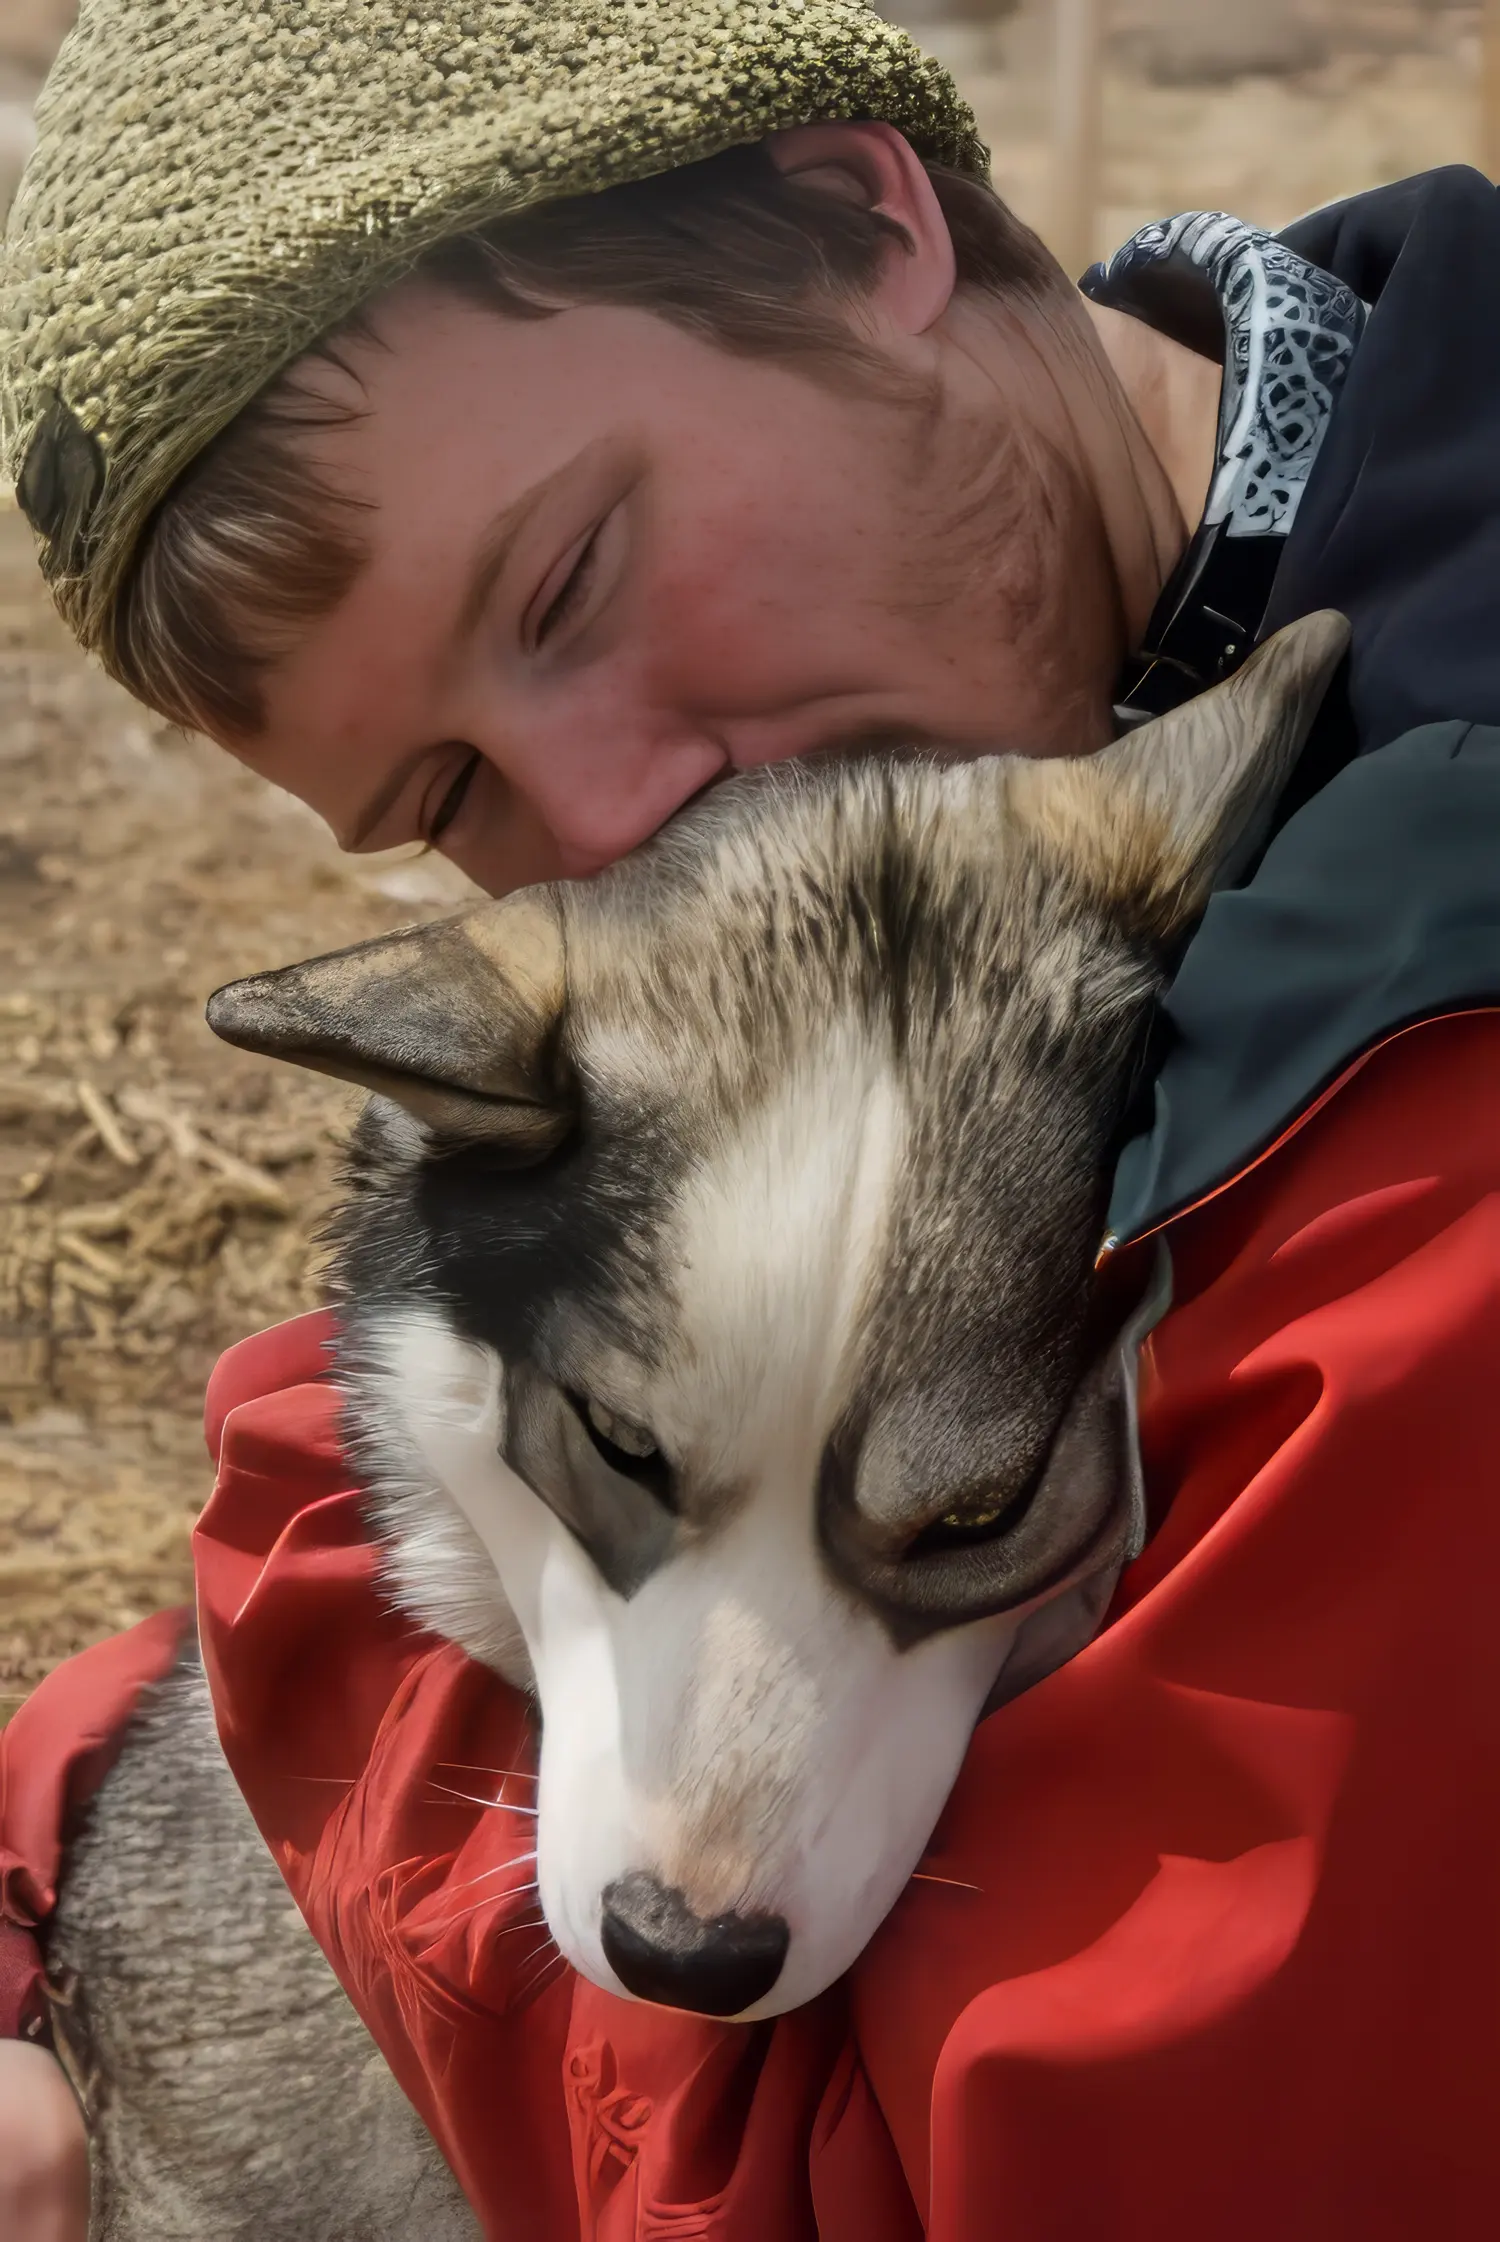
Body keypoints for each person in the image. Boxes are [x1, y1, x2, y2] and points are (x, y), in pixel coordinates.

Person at [5, 3, 1500, 2236]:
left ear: (855, 214)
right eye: (447, 798)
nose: (619, 815)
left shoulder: (1419, 1042)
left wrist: (296, 1618)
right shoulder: (1250, 557)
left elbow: (922, 2178)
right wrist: (54, 1852)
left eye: (575, 576)